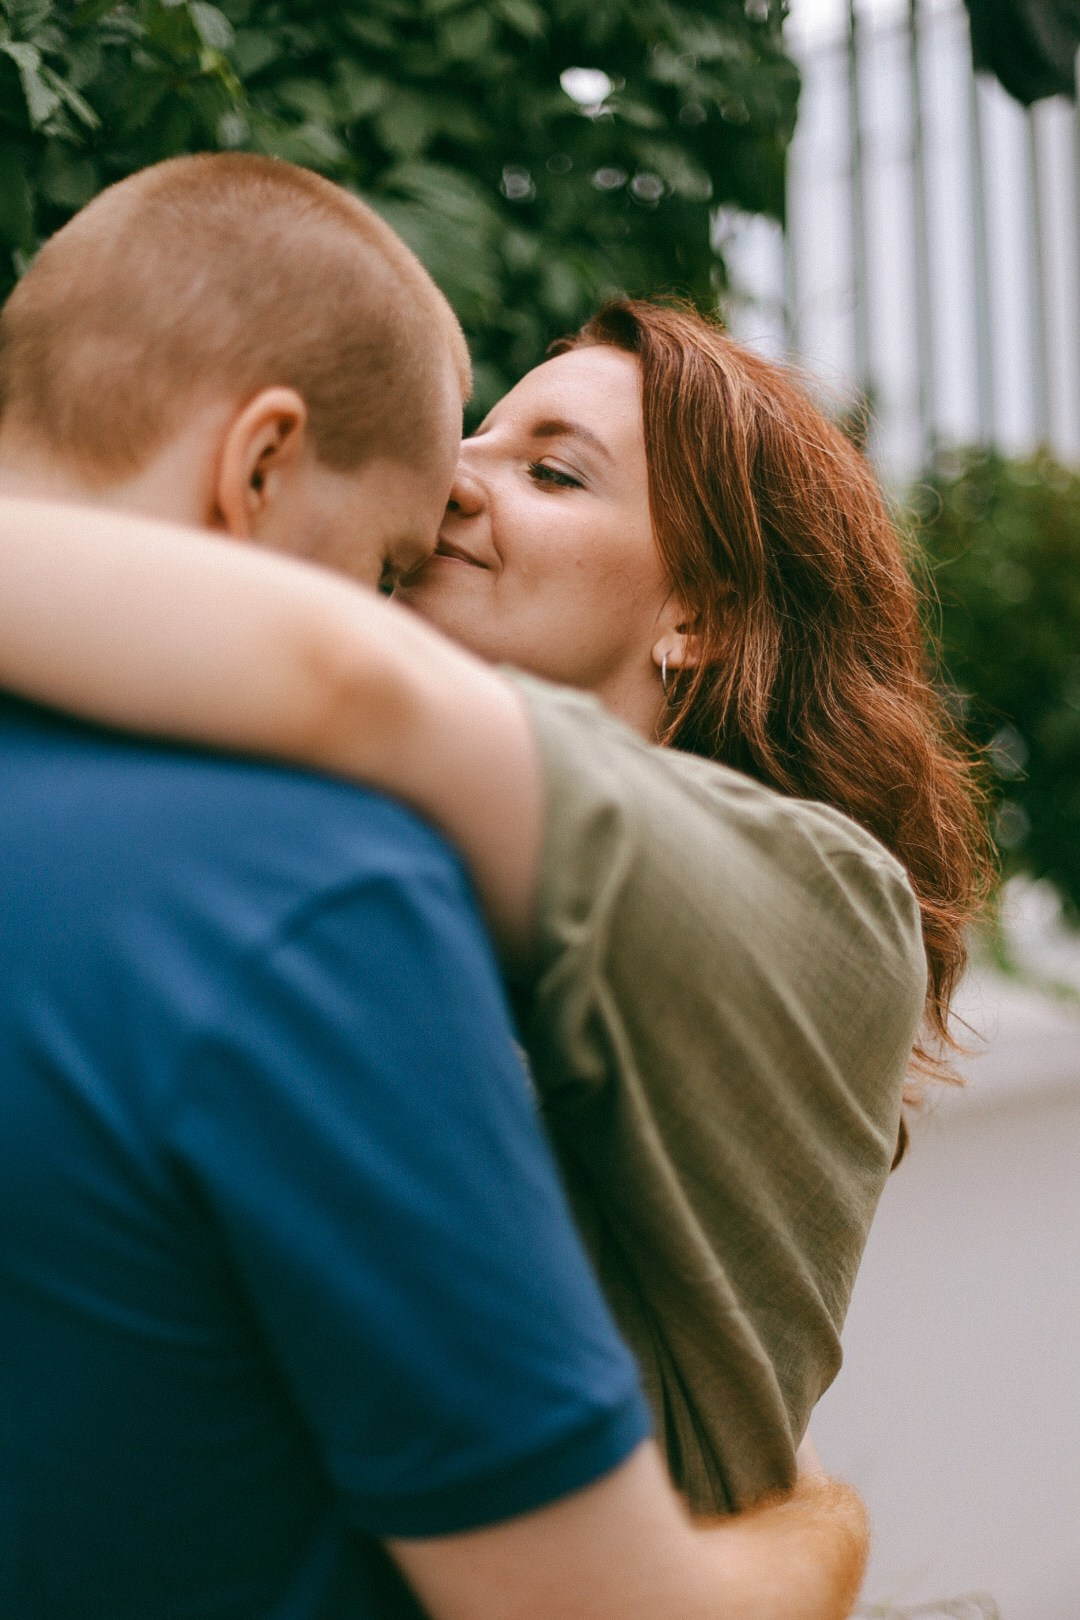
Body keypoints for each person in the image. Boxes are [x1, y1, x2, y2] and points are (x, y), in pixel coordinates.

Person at [0, 157, 990, 1518]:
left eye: (554, 472)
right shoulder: (329, 834)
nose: (450, 482)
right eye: (470, 438)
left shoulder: (821, 900)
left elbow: (348, 682)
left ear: (694, 610)